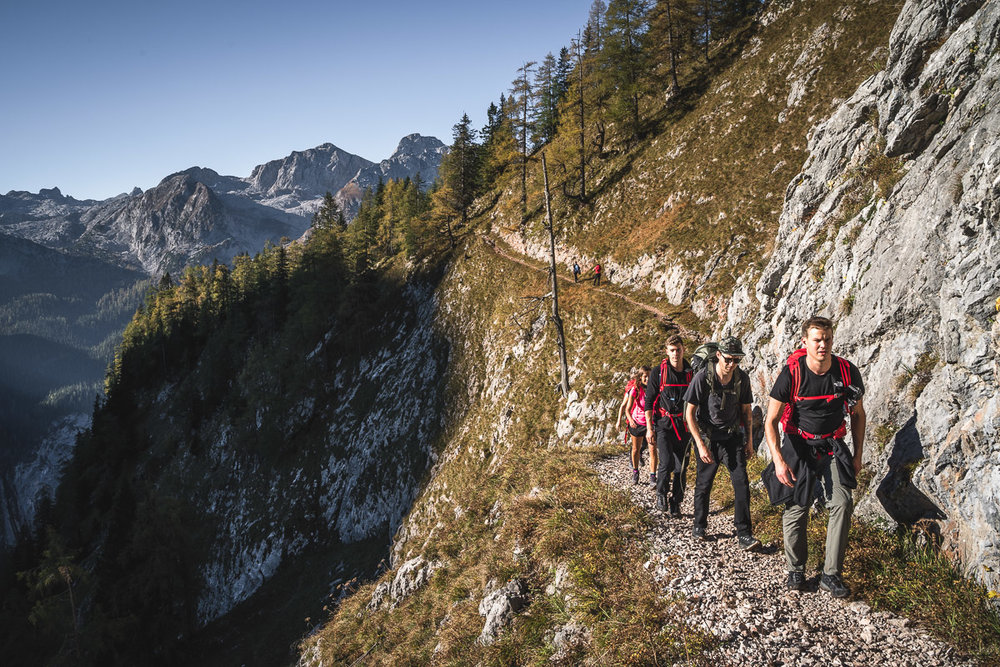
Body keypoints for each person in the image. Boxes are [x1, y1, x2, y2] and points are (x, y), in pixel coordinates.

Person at [763, 317, 866, 598]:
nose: (823, 345)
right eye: (817, 339)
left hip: (833, 443)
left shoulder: (847, 372)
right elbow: (771, 421)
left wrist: (857, 455)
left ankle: (830, 575)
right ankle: (796, 569)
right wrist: (778, 460)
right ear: (805, 342)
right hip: (798, 445)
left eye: (828, 339)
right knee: (797, 506)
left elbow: (857, 414)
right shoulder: (792, 373)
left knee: (843, 503)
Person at [683, 337, 760, 550]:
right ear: (718, 355)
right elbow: (689, 413)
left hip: (732, 437)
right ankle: (699, 526)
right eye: (728, 359)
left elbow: (746, 411)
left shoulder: (741, 379)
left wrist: (749, 442)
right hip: (708, 438)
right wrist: (700, 444)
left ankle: (744, 533)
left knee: (741, 483)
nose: (731, 364)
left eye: (736, 360)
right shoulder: (702, 377)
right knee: (704, 484)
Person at [645, 334, 693, 515]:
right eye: (672, 350)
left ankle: (676, 501)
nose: (675, 354)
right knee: (666, 462)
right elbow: (649, 402)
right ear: (667, 352)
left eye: (678, 350)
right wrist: (650, 429)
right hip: (664, 425)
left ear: (683, 350)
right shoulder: (658, 372)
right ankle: (661, 493)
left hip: (685, 426)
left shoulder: (691, 371)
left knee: (682, 467)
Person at [621, 366, 650, 484]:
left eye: (649, 376)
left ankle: (653, 476)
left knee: (647, 446)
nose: (647, 379)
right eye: (645, 377)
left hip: (649, 423)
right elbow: (624, 406)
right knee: (636, 448)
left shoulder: (653, 388)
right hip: (636, 422)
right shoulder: (634, 389)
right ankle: (635, 470)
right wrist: (627, 419)